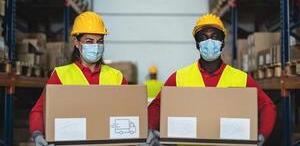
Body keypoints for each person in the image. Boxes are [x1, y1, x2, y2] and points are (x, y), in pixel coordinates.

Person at [147, 14, 277, 146]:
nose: (209, 42)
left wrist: (262, 134)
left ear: (222, 43)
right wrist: (151, 129)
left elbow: (267, 106)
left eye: (215, 37)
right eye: (203, 37)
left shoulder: (241, 79)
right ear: (197, 44)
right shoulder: (179, 77)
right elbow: (156, 106)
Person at [29, 11, 128, 146]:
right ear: (76, 42)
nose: (96, 46)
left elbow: (129, 113)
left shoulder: (116, 77)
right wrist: (37, 134)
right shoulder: (61, 75)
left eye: (100, 42)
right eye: (89, 41)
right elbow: (39, 110)